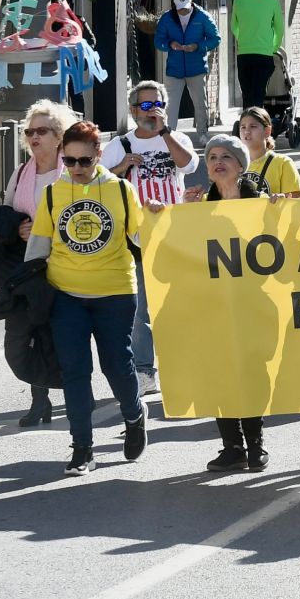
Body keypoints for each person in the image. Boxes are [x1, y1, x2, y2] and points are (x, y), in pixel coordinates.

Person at [26, 120, 152, 476]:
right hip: (65, 294)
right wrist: (28, 292)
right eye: (69, 161)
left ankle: (133, 414)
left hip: (114, 291)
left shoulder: (120, 191)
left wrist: (158, 218)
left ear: (99, 155)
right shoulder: (52, 193)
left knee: (116, 364)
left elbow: (142, 238)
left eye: (85, 161)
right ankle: (82, 447)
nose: (77, 169)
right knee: (75, 371)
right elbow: (38, 247)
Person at [181, 133, 275, 470]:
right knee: (218, 374)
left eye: (226, 157)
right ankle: (231, 446)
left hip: (253, 305)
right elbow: (181, 248)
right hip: (212, 307)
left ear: (240, 165)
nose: (218, 162)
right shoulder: (198, 206)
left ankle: (256, 445)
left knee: (250, 374)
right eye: (211, 158)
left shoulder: (262, 203)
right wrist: (181, 215)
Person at [104, 81, 199, 393]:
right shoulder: (120, 145)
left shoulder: (176, 138)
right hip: (137, 237)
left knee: (179, 305)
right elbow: (101, 184)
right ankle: (144, 370)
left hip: (175, 234)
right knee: (141, 309)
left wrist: (164, 132)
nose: (151, 111)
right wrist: (121, 167)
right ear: (132, 111)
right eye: (145, 106)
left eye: (157, 104)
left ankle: (182, 366)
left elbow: (189, 164)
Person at [0, 99, 78, 427]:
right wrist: (17, 227)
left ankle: (70, 398)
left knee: (63, 334)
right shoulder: (21, 172)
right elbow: (5, 211)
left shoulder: (72, 170)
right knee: (27, 334)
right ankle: (40, 399)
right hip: (29, 265)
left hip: (67, 263)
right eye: (29, 131)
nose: (33, 137)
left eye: (41, 131)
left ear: (59, 135)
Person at [153, 0, 220, 132]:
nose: (182, 11)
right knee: (170, 106)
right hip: (174, 69)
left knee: (200, 105)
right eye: (179, 9)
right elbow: (159, 40)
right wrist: (170, 44)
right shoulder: (167, 18)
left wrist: (197, 46)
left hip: (196, 69)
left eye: (185, 8)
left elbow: (215, 38)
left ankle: (203, 134)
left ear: (191, 4)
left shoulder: (203, 17)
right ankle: (169, 136)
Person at [229, 0, 283, 110]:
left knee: (247, 94)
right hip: (264, 54)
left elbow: (234, 26)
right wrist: (273, 48)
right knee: (259, 93)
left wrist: (243, 38)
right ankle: (257, 124)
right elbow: (279, 30)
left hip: (244, 54)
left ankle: (246, 124)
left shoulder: (239, 1)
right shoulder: (272, 1)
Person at [237, 105, 300, 198]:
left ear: (267, 131)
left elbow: (295, 200)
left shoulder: (283, 163)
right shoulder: (234, 164)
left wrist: (282, 197)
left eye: (253, 126)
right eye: (243, 127)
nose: (247, 131)